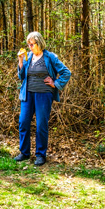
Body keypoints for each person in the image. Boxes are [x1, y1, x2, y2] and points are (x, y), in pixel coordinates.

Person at [14, 32, 71, 166]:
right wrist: (21, 61)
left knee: (41, 125)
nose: (29, 46)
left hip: (44, 95)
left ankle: (40, 154)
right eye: (28, 44)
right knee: (23, 122)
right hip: (27, 94)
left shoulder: (49, 57)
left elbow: (66, 72)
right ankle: (24, 153)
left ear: (39, 43)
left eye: (32, 44)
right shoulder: (28, 57)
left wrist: (55, 83)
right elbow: (21, 77)